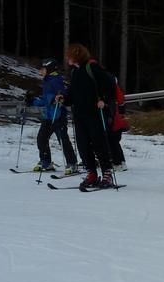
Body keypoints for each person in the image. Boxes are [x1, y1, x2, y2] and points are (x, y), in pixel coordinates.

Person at [65, 44, 117, 189]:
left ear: (76, 55)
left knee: (99, 143)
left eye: (69, 55)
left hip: (94, 113)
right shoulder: (75, 72)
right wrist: (63, 98)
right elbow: (72, 94)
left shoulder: (92, 67)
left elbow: (110, 85)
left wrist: (104, 100)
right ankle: (92, 173)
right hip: (79, 115)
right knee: (83, 145)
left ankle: (107, 173)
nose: (67, 58)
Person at [31, 57, 79, 174]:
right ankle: (46, 162)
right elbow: (46, 100)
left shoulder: (56, 79)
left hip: (58, 115)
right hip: (48, 116)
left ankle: (72, 164)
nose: (40, 71)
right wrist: (32, 101)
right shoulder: (47, 81)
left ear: (49, 69)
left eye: (42, 69)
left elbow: (63, 93)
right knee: (41, 139)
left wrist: (57, 98)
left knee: (63, 140)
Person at [110, 80, 129, 171]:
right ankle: (121, 162)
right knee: (115, 142)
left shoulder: (111, 88)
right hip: (119, 119)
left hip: (114, 119)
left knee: (112, 141)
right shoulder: (117, 88)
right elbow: (122, 102)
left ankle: (117, 163)